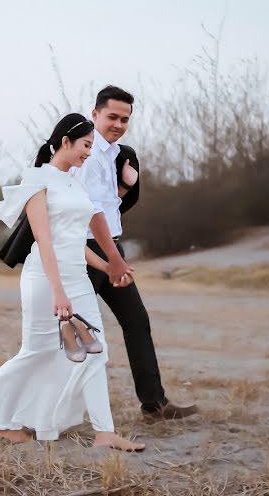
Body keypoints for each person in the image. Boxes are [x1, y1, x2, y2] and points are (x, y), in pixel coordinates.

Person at [0, 113, 145, 451]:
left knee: (95, 351)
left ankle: (105, 433)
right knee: (38, 351)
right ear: (65, 142)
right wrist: (59, 293)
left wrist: (109, 267)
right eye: (86, 145)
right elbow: (45, 241)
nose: (89, 152)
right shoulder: (37, 180)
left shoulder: (76, 182)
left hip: (77, 277)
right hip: (45, 279)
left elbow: (75, 240)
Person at [75, 86, 199, 420]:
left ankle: (154, 405)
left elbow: (108, 205)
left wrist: (125, 187)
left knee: (136, 322)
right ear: (95, 114)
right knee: (75, 334)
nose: (118, 124)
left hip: (111, 245)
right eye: (112, 116)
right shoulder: (86, 153)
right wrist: (113, 258)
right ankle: (39, 413)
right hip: (87, 252)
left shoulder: (116, 155)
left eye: (125, 119)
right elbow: (88, 210)